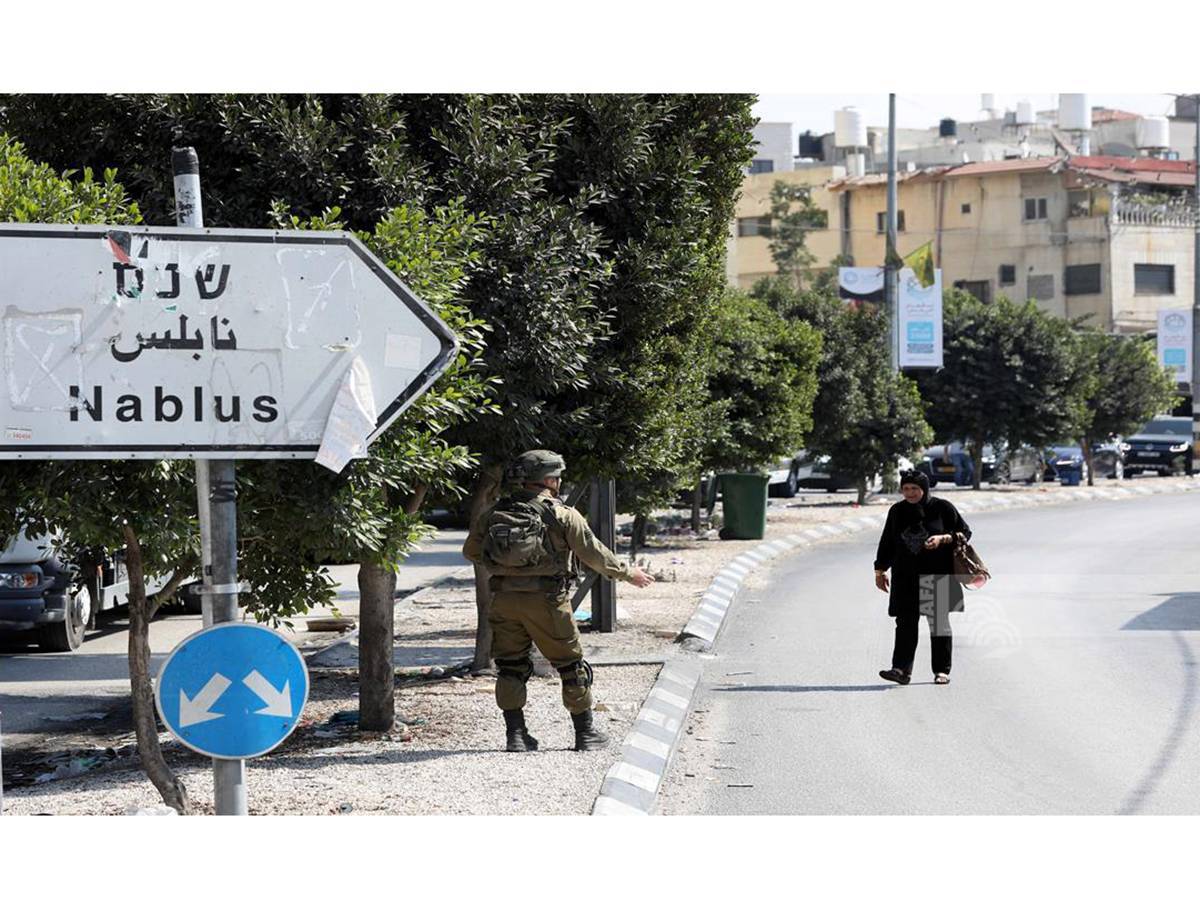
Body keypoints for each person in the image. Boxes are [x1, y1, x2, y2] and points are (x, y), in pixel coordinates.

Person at [463, 449, 655, 752]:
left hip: (504, 600)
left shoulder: (495, 513)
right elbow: (593, 553)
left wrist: (510, 565)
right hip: (548, 601)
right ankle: (585, 734)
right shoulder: (562, 514)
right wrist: (629, 573)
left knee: (510, 666)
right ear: (550, 480)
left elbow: (471, 552)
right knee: (570, 665)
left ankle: (516, 735)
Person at [872, 469, 971, 685]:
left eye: (914, 488)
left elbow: (965, 532)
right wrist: (880, 570)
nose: (909, 493)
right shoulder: (897, 511)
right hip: (905, 576)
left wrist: (943, 538)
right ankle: (900, 670)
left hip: (938, 573)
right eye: (906, 488)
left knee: (939, 623)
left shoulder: (942, 508)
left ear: (924, 489)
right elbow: (887, 541)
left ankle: (942, 670)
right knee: (905, 623)